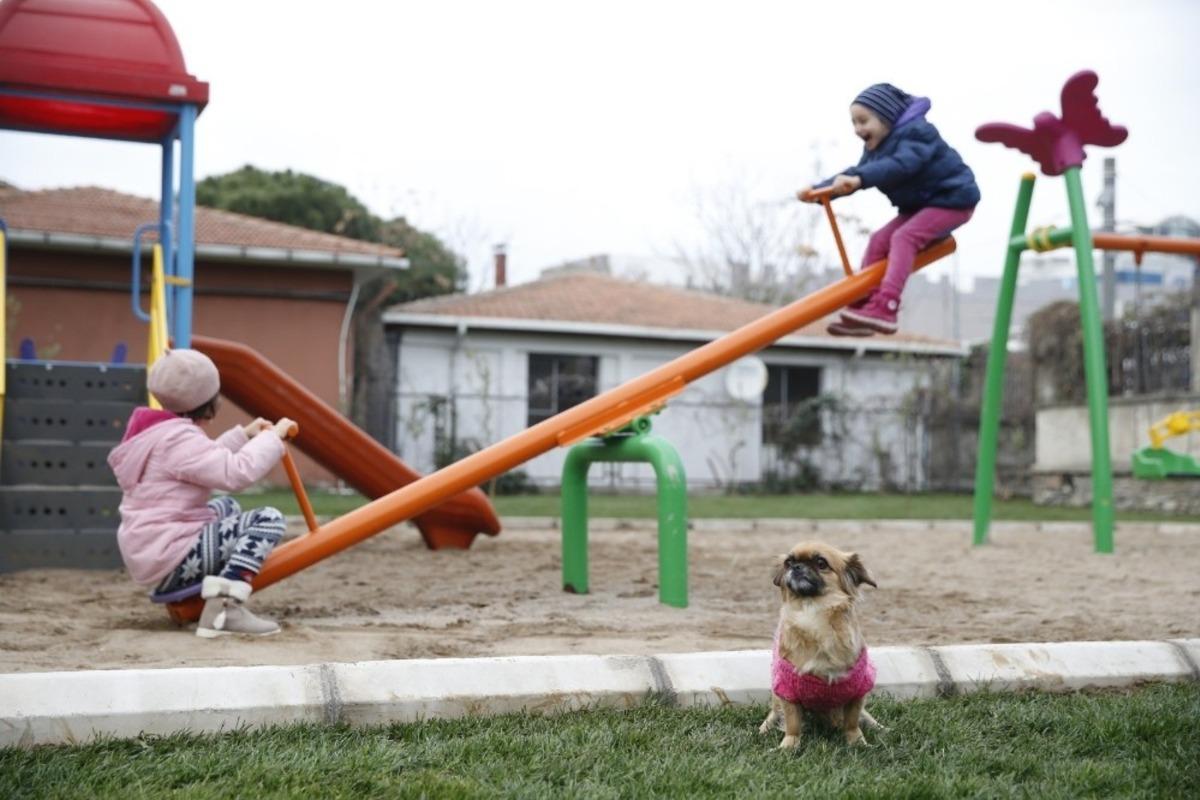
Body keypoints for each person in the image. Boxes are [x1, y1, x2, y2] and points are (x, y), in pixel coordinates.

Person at [107, 348, 295, 638]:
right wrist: (273, 438)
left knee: (227, 507)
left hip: (153, 550)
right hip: (171, 556)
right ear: (208, 399)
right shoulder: (179, 439)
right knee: (268, 519)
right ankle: (224, 608)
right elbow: (235, 473)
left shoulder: (158, 432)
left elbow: (202, 462)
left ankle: (210, 596)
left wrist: (243, 436)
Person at [801, 83, 980, 336]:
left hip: (952, 199)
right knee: (877, 242)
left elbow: (901, 165)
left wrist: (861, 179)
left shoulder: (917, 134)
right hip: (920, 206)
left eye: (863, 121)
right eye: (853, 123)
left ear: (886, 117)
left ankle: (887, 305)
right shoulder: (875, 149)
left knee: (903, 237)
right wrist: (819, 190)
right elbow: (855, 174)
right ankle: (867, 302)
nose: (857, 129)